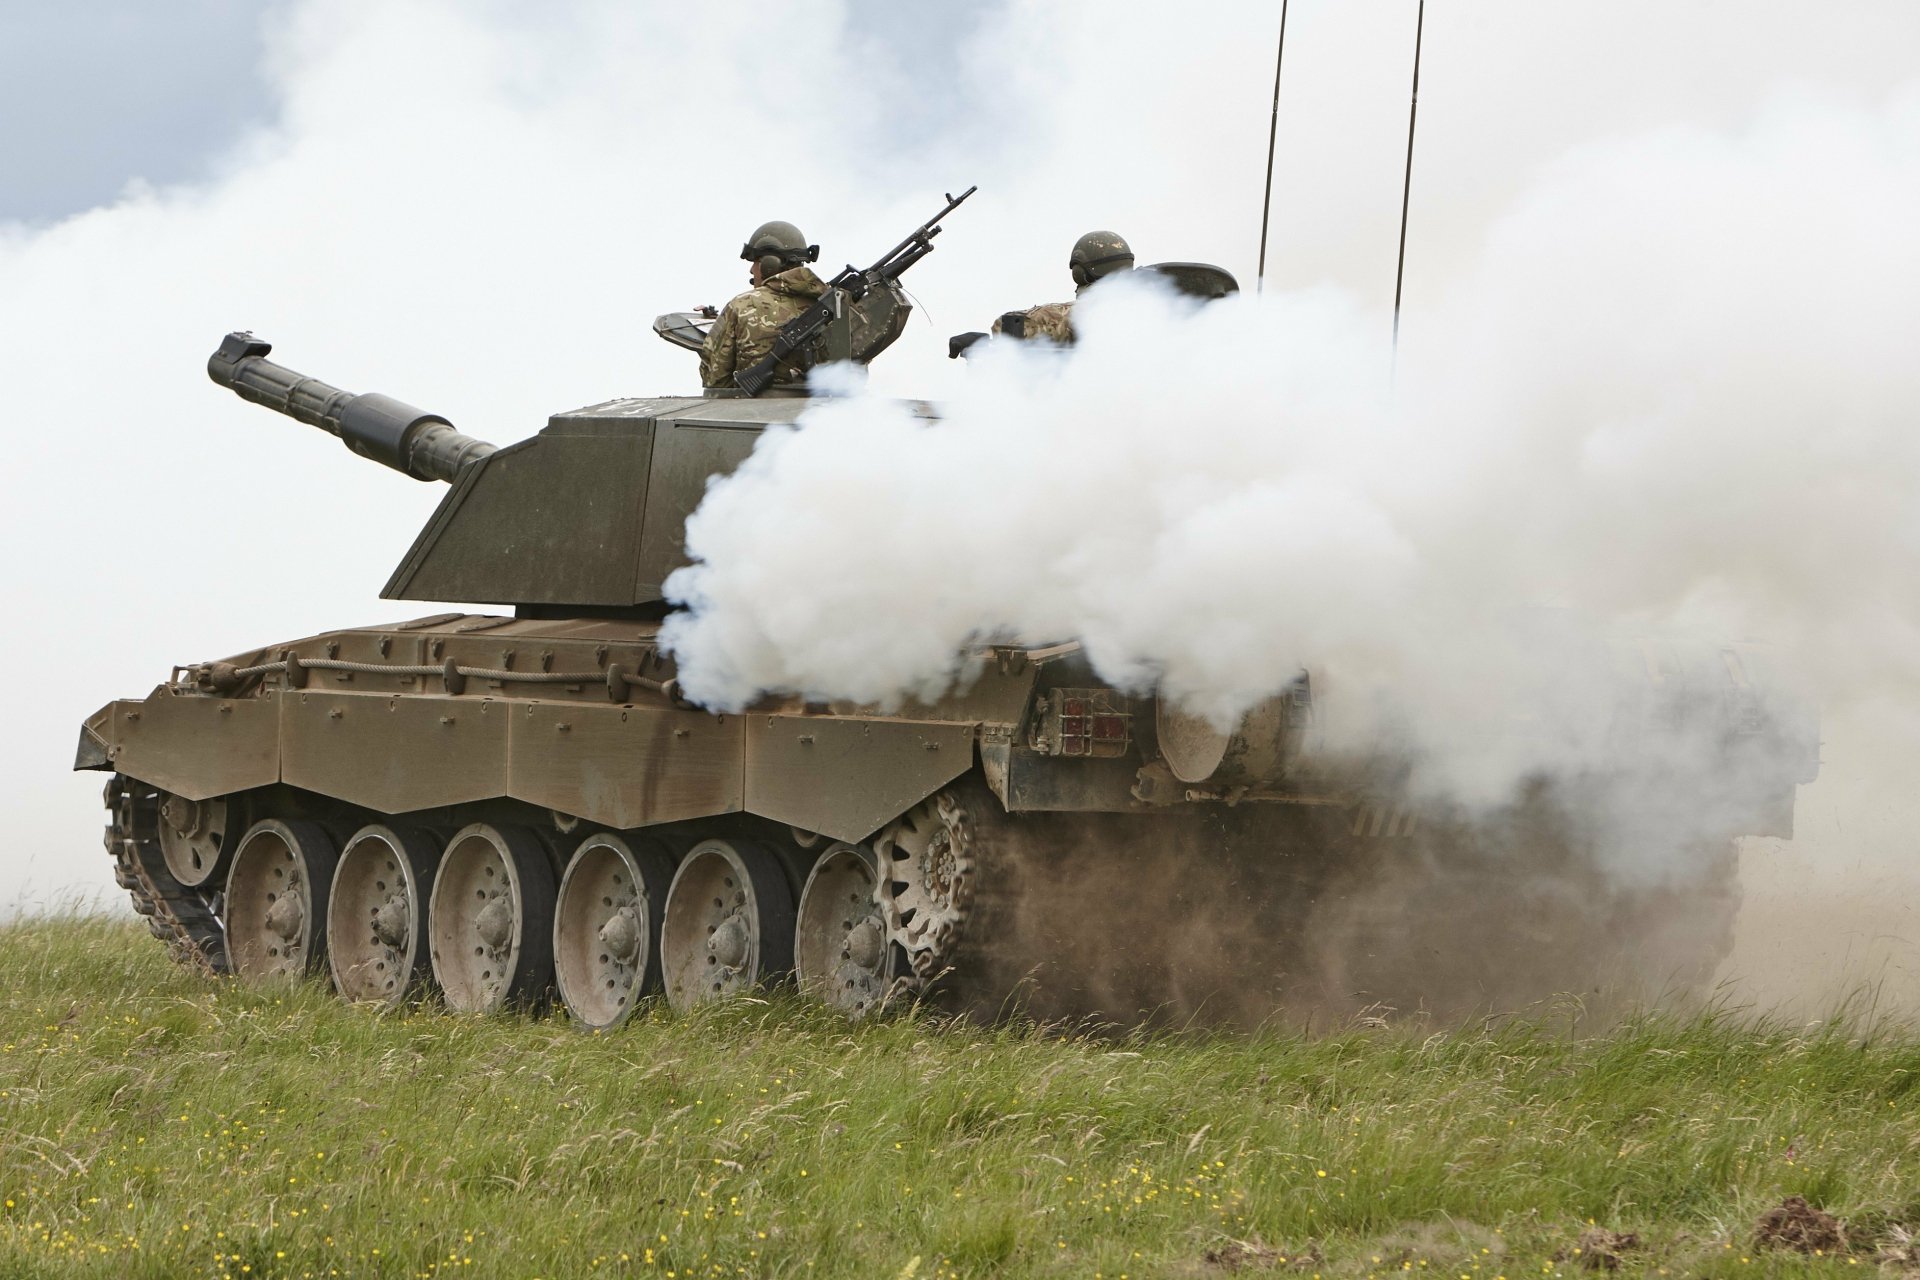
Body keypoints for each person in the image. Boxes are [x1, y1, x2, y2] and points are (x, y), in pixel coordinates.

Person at [699, 220, 830, 391]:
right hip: (822, 414)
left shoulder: (741, 306)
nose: (752, 270)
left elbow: (715, 380)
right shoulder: (834, 306)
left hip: (750, 413)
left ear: (770, 263)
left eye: (755, 262)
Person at [991, 229, 1135, 345]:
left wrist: (979, 344)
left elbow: (1007, 328)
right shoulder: (1142, 306)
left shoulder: (1091, 313)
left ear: (1079, 273)